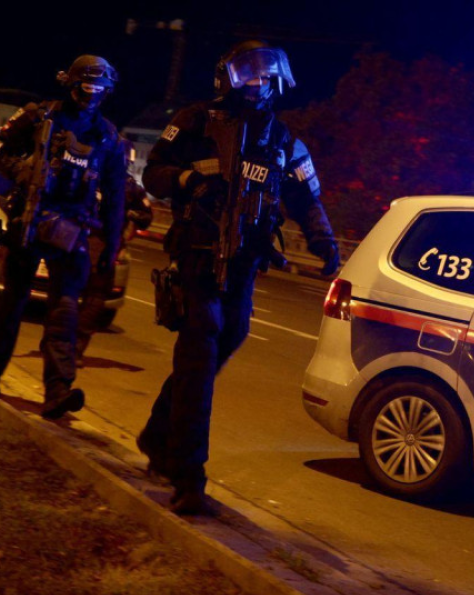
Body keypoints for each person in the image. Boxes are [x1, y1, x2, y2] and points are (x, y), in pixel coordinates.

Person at [136, 40, 340, 515]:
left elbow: (306, 200)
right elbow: (153, 173)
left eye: (267, 77)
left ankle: (157, 436)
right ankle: (188, 476)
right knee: (199, 355)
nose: (259, 84)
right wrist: (186, 180)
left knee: (215, 352)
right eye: (250, 75)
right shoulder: (194, 120)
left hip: (244, 265)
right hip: (197, 258)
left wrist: (325, 243)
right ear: (228, 78)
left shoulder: (283, 140)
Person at [0, 55, 126, 419]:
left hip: (71, 231)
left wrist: (111, 248)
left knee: (65, 312)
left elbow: (115, 197)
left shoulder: (108, 137)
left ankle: (58, 391)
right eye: (86, 87)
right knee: (11, 305)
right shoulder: (39, 117)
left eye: (99, 89)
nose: (92, 95)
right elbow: (2, 152)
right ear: (71, 84)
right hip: (30, 219)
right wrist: (22, 172)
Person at [77, 140, 154, 363]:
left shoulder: (90, 175)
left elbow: (145, 218)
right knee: (93, 298)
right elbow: (145, 217)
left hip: (82, 244)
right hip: (98, 247)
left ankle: (62, 345)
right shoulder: (126, 186)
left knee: (73, 296)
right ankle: (71, 347)